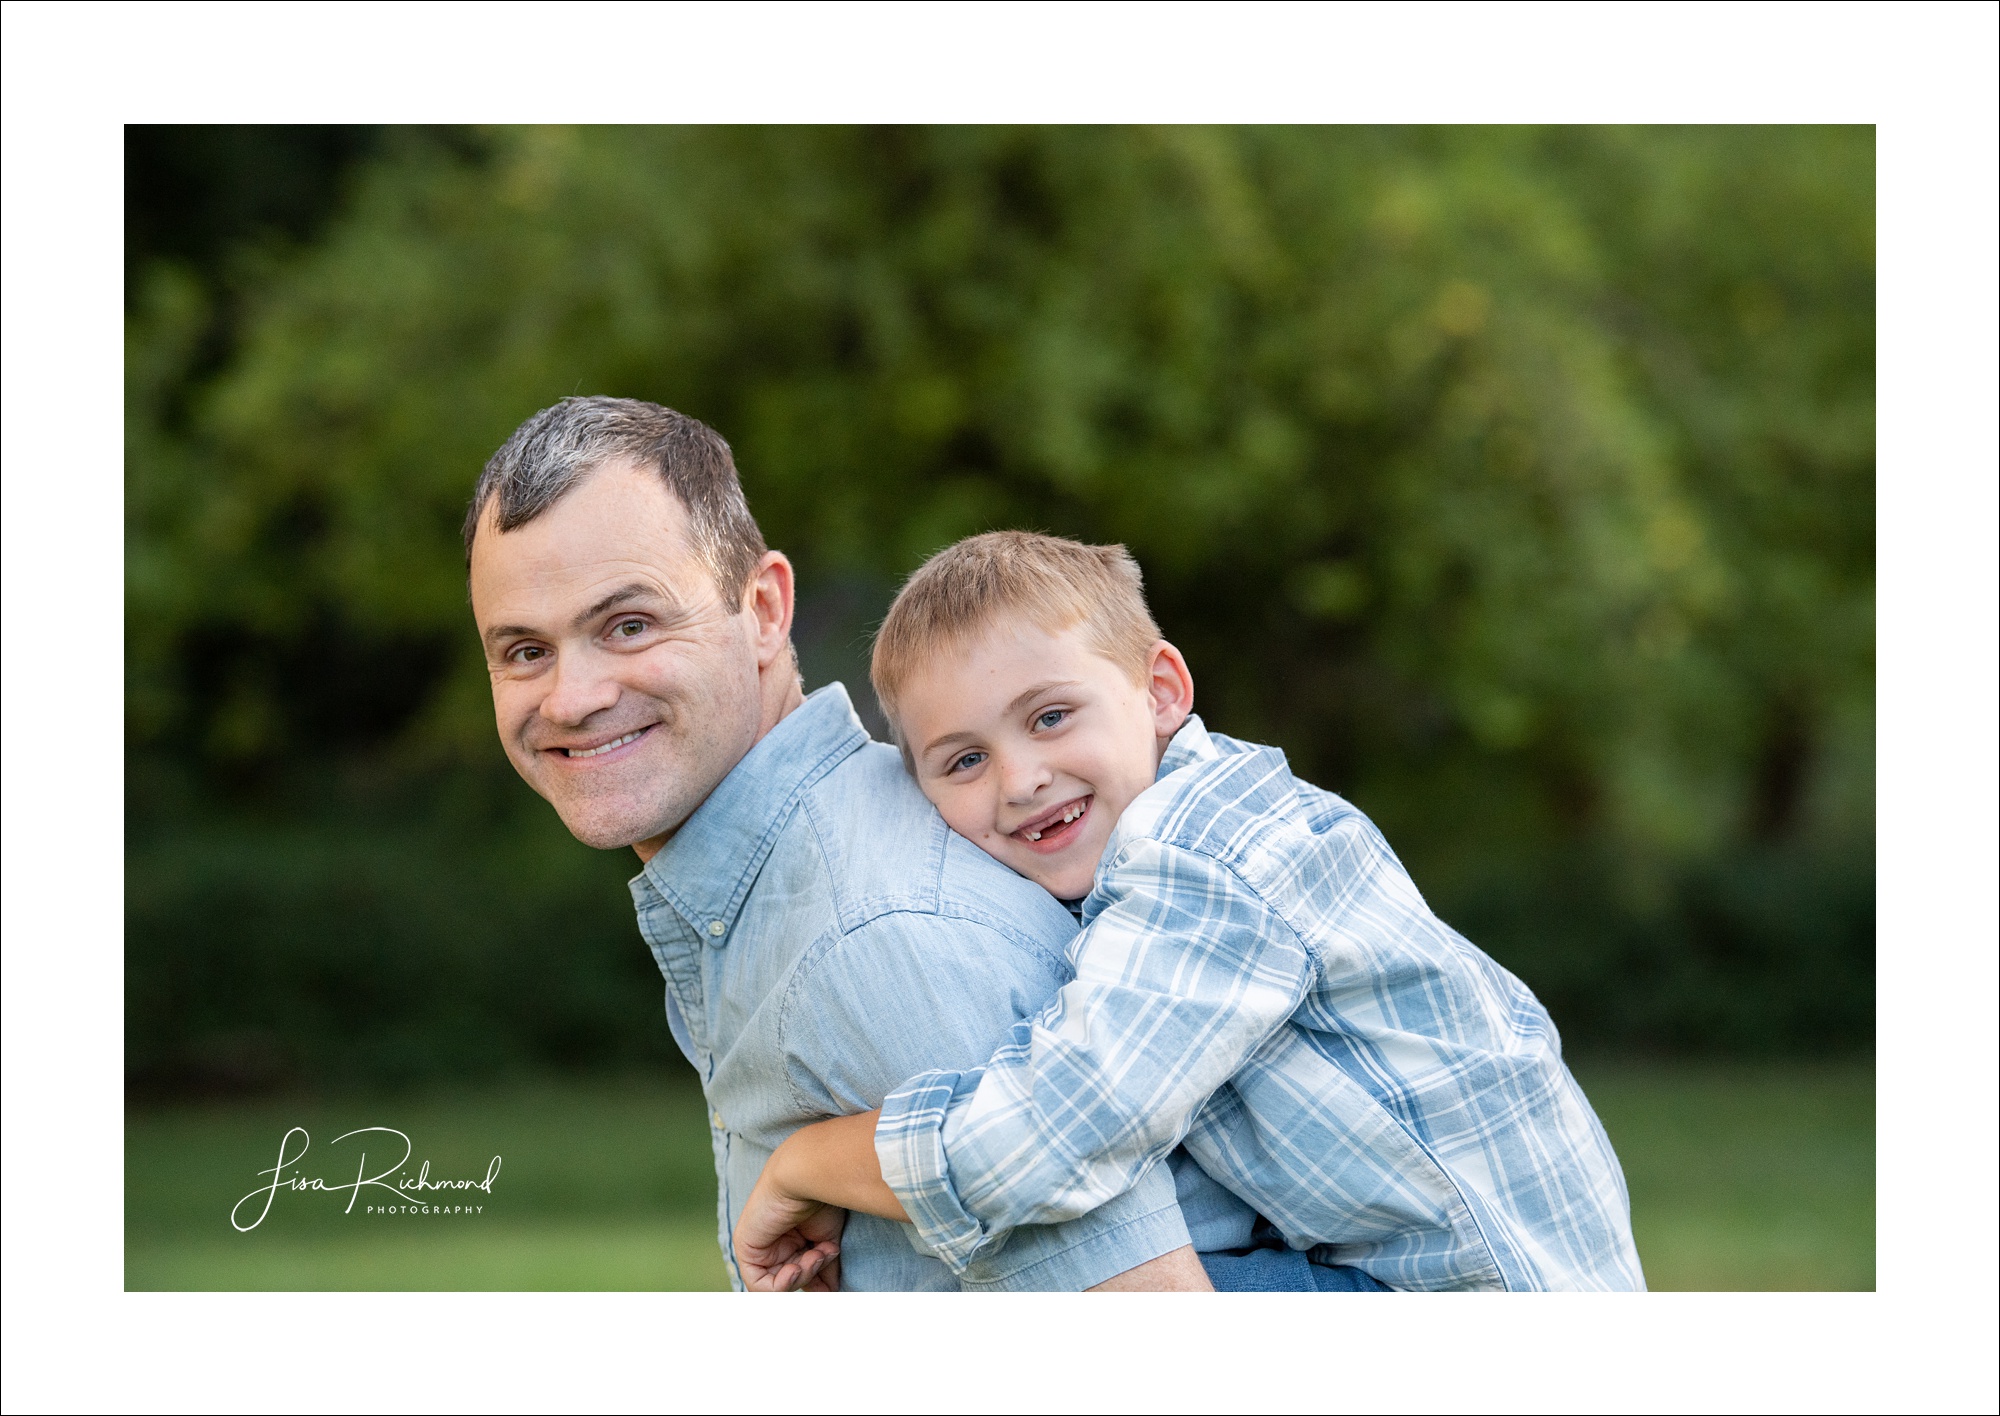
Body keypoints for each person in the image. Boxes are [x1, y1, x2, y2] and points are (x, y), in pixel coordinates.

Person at [733, 531, 1648, 1292]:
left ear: (1161, 690)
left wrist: (804, 1164)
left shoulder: (1208, 858)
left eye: (1050, 717)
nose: (1021, 779)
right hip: (1416, 1273)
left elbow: (1051, 1134)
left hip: (1478, 1302)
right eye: (962, 761)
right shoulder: (1150, 850)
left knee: (1082, 1304)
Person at [465, 396, 1212, 1290]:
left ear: (767, 609)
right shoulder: (787, 895)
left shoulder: (872, 934)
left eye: (629, 625)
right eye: (522, 652)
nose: (571, 697)